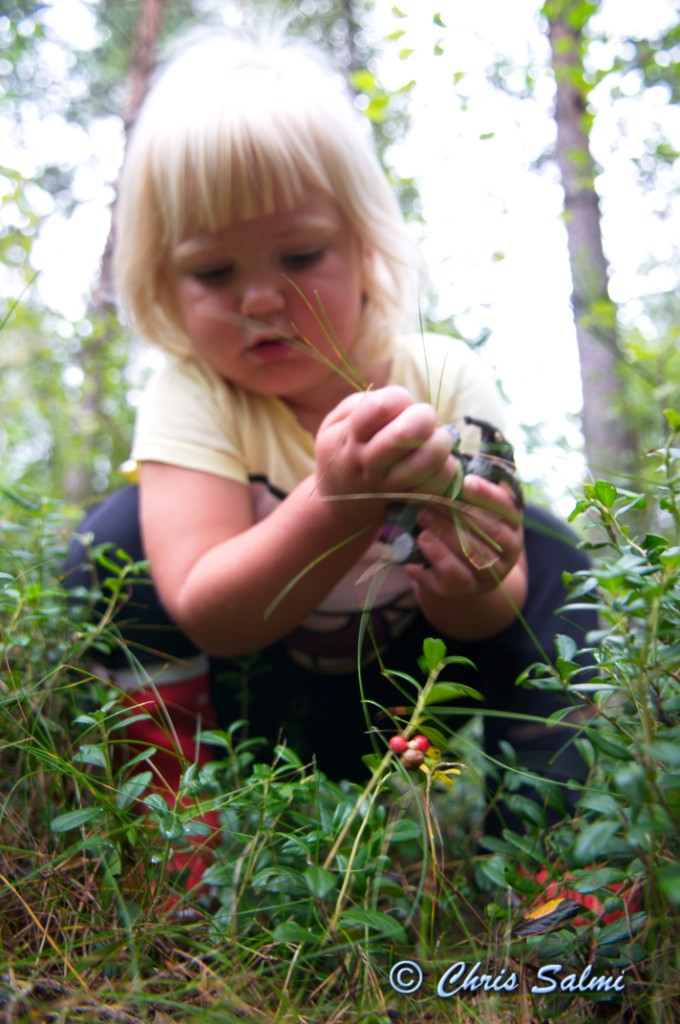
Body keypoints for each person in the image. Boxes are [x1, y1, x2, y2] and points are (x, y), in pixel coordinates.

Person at [64, 27, 595, 887]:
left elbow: (493, 619)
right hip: (250, 714)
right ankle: (171, 850)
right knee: (114, 543)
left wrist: (472, 580)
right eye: (212, 271)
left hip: (402, 714)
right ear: (159, 280)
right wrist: (338, 502)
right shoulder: (194, 396)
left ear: (366, 245)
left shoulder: (441, 377)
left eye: (301, 255)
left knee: (553, 554)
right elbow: (208, 610)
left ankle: (556, 863)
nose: (262, 297)